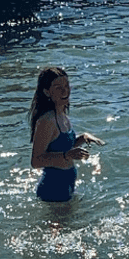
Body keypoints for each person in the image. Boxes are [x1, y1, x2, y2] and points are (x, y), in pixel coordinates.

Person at [29, 66, 104, 202]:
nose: (65, 91)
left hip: (66, 186)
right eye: (58, 87)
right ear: (47, 92)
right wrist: (67, 155)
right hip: (52, 190)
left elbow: (61, 146)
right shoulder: (46, 121)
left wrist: (83, 137)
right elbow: (36, 161)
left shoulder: (61, 114)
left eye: (67, 85)